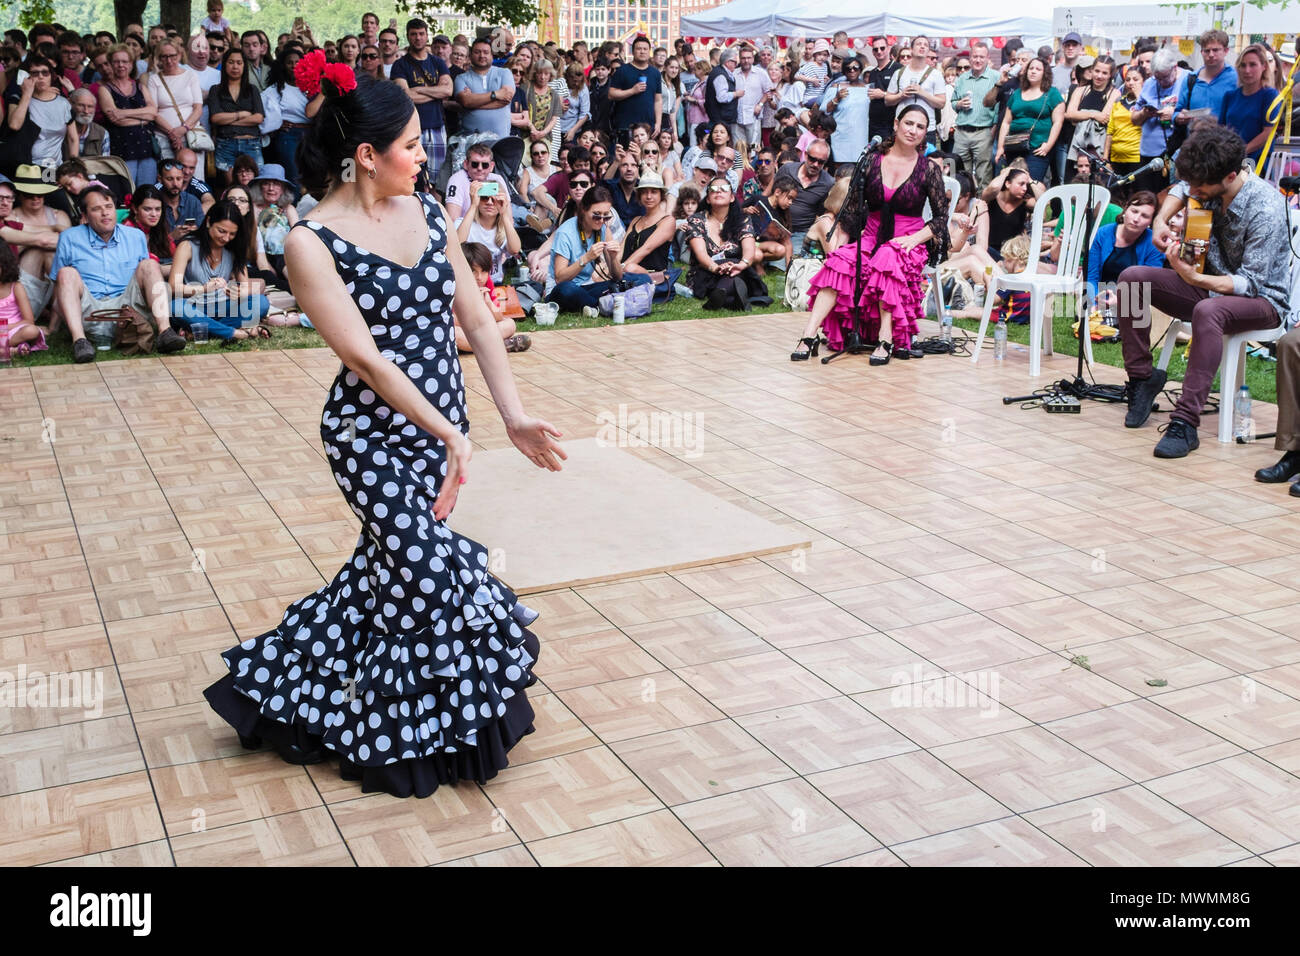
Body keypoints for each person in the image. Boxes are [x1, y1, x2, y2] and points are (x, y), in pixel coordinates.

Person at [203, 69, 563, 795]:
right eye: (408, 145)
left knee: (388, 579)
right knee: (429, 575)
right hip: (369, 439)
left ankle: (285, 693)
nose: (423, 156)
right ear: (366, 155)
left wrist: (511, 414)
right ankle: (411, 739)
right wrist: (453, 437)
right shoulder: (309, 242)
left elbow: (477, 319)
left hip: (440, 432)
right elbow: (365, 360)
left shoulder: (428, 211)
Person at [1116, 124, 1291, 459]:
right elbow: (1183, 186)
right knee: (1131, 278)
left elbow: (1249, 284)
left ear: (1229, 176)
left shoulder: (1265, 208)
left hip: (1260, 300)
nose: (1193, 190)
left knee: (1209, 311)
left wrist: (1194, 280)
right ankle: (1142, 378)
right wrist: (1160, 222)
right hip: (1208, 285)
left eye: (1201, 186)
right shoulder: (1206, 180)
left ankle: (1185, 421)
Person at [790, 105, 948, 364]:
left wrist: (913, 239)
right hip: (872, 235)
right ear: (896, 124)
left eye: (920, 127)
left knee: (888, 256)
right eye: (909, 123)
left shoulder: (928, 169)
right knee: (839, 261)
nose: (913, 130)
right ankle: (808, 336)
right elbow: (853, 205)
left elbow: (942, 219)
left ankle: (886, 338)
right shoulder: (873, 160)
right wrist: (845, 239)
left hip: (907, 241)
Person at [51, 184, 185, 362]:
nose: (105, 213)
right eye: (97, 209)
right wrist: (53, 328)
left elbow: (147, 280)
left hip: (128, 312)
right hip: (90, 311)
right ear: (84, 215)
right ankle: (80, 342)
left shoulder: (135, 236)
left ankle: (165, 332)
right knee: (66, 273)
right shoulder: (69, 237)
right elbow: (59, 286)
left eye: (109, 207)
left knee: (150, 265)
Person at [169, 198, 270, 341]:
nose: (226, 238)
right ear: (209, 222)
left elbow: (245, 287)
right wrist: (204, 289)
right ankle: (232, 333)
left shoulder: (234, 249)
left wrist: (240, 291)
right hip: (195, 307)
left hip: (224, 306)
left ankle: (204, 332)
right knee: (175, 306)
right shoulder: (187, 246)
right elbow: (174, 287)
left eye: (232, 234)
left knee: (261, 302)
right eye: (221, 231)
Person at [547, 184, 651, 311]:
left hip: (587, 288)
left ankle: (598, 304)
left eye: (606, 216)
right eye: (596, 215)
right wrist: (585, 259)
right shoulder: (565, 232)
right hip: (562, 290)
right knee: (567, 289)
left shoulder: (603, 229)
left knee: (643, 279)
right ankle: (608, 303)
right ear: (584, 209)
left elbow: (617, 276)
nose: (601, 220)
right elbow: (559, 278)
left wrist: (613, 258)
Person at [683, 175, 768, 310]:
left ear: (732, 197)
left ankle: (720, 298)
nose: (718, 191)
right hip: (706, 271)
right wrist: (715, 267)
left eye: (724, 188)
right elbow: (701, 254)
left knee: (735, 272)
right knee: (734, 277)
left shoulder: (742, 220)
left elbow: (749, 250)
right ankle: (732, 300)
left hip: (735, 270)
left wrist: (741, 264)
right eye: (714, 189)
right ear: (708, 199)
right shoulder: (696, 220)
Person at [390, 19, 453, 188]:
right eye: (413, 34)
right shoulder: (400, 65)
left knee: (437, 180)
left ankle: (434, 212)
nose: (418, 38)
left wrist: (418, 89)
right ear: (408, 36)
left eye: (421, 34)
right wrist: (435, 91)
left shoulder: (437, 62)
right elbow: (406, 96)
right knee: (411, 177)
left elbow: (447, 91)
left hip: (437, 127)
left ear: (426, 36)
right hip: (410, 129)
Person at [5, 165, 70, 320]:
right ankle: (56, 315)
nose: (35, 198)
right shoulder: (10, 218)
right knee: (41, 250)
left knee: (51, 254)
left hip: (56, 277)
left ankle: (58, 313)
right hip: (21, 278)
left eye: (39, 194)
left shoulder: (58, 216)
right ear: (19, 195)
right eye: (29, 194)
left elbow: (70, 249)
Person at [995, 57, 1064, 184]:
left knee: (1030, 184)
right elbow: (1006, 122)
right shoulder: (1017, 93)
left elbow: (1058, 122)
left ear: (1045, 73)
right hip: (1014, 146)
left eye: (1038, 69)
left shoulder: (1052, 93)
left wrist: (1048, 145)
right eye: (1031, 68)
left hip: (1037, 148)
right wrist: (1000, 147)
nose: (1033, 71)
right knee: (1012, 184)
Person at [1128, 48, 1185, 196]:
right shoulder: (1150, 83)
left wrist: (1173, 114)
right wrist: (1144, 113)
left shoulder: (1188, 80)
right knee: (1148, 197)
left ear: (1175, 67)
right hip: (1149, 153)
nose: (1161, 82)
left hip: (1176, 152)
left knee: (1172, 196)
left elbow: (1200, 113)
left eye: (1165, 77)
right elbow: (1134, 119)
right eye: (1157, 78)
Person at [457, 240, 529, 353]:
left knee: (509, 324)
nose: (479, 277)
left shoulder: (486, 283)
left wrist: (488, 303)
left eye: (484, 271)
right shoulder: (454, 286)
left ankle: (476, 347)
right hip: (462, 329)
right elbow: (451, 321)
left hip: (479, 331)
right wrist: (477, 309)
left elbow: (499, 317)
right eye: (473, 271)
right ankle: (500, 346)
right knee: (456, 334)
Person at [10, 56, 77, 168]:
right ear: (27, 77)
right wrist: (26, 94)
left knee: (49, 184)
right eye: (35, 73)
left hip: (53, 167)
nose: (41, 77)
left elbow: (73, 138)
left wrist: (74, 165)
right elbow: (14, 125)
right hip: (25, 166)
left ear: (51, 76)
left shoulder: (63, 103)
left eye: (45, 73)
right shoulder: (18, 99)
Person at [1219, 44, 1278, 165]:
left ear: (1264, 66)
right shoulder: (1230, 96)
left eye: (1253, 65)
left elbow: (1268, 132)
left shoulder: (1269, 95)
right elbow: (1220, 129)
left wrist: (1242, 151)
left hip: (1257, 162)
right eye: (1243, 65)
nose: (1247, 70)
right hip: (1229, 161)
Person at [208, 47, 265, 173]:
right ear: (224, 64)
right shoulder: (215, 90)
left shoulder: (252, 89)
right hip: (225, 144)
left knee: (252, 186)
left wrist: (228, 120)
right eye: (231, 62)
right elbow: (215, 118)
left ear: (244, 66)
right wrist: (241, 114)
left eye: (239, 63)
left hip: (251, 143)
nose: (235, 67)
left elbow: (258, 118)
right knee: (230, 187)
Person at [620, 171, 676, 295]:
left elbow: (646, 248)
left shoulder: (668, 220)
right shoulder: (636, 220)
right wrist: (611, 266)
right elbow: (621, 248)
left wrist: (621, 267)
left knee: (630, 268)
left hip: (651, 273)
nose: (649, 196)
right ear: (639, 196)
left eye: (654, 192)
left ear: (661, 195)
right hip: (627, 269)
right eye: (644, 192)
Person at [455, 178, 521, 284]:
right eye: (484, 198)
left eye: (495, 199)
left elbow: (515, 249)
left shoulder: (503, 229)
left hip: (495, 283)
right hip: (468, 282)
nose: (490, 202)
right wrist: (473, 206)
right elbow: (457, 244)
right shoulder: (464, 223)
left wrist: (504, 214)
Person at [951, 41, 999, 189]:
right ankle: (959, 207)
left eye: (981, 57)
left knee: (983, 175)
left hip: (983, 132)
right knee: (959, 174)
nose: (978, 60)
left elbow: (999, 105)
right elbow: (953, 101)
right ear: (970, 58)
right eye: (975, 56)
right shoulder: (962, 78)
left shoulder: (995, 77)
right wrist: (958, 104)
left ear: (987, 58)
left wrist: (994, 128)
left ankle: (981, 208)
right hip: (962, 131)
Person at [453, 36, 514, 149]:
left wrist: (473, 103)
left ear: (492, 55)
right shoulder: (461, 78)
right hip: (471, 143)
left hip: (501, 142)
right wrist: (495, 95)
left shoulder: (504, 73)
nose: (482, 56)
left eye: (486, 52)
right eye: (477, 52)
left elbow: (506, 98)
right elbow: (465, 101)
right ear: (470, 56)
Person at [884, 36, 947, 144]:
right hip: (903, 128)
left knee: (925, 161)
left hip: (926, 129)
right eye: (919, 44)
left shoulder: (936, 74)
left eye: (925, 45)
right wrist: (901, 95)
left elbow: (941, 103)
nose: (922, 46)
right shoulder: (899, 73)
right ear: (911, 49)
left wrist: (922, 93)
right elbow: (887, 100)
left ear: (928, 51)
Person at [1174, 30, 1238, 132]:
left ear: (1226, 51)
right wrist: (1179, 117)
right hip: (1195, 142)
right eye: (1207, 51)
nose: (1211, 54)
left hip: (1225, 143)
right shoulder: (1191, 80)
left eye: (1216, 50)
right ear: (1201, 52)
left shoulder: (1236, 79)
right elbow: (1177, 111)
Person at [778, 138, 833, 255]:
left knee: (791, 258)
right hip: (777, 225)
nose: (815, 164)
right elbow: (772, 195)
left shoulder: (827, 183)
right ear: (805, 155)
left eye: (821, 162)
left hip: (801, 232)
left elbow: (822, 215)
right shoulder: (787, 170)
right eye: (812, 159)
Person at [1065, 54, 1118, 165]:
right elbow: (1069, 114)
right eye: (1097, 71)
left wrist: (1080, 115)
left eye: (1104, 73)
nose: (1099, 76)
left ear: (1110, 75)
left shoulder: (1114, 93)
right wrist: (1093, 115)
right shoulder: (1081, 90)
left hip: (1099, 149)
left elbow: (1104, 117)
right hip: (1076, 147)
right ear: (1092, 70)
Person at [250, 163, 297, 284]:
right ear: (260, 187)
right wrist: (266, 265)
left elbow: (298, 234)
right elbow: (254, 238)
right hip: (261, 256)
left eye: (276, 184)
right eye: (266, 183)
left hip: (286, 257)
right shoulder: (254, 208)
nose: (271, 188)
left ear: (283, 189)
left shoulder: (288, 208)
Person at [822, 55, 870, 165]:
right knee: (840, 171)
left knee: (858, 170)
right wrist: (836, 98)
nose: (852, 70)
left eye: (855, 68)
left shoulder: (867, 89)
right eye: (848, 68)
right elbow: (825, 110)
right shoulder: (836, 87)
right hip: (841, 138)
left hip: (860, 137)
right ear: (844, 71)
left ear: (860, 70)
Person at [609, 35, 662, 135]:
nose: (642, 51)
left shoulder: (655, 73)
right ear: (633, 51)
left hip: (648, 126)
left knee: (646, 151)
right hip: (626, 125)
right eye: (639, 49)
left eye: (645, 49)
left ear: (649, 51)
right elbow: (611, 94)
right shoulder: (622, 71)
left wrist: (658, 123)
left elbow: (658, 100)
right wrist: (632, 91)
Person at [0, 240, 43, 356]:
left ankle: (5, 349)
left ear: (5, 265)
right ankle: (13, 350)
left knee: (32, 330)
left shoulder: (16, 287)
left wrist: (4, 328)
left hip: (14, 330)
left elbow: (29, 321)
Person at [445, 143, 509, 221]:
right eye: (475, 164)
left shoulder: (497, 179)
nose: (479, 168)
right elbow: (452, 220)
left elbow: (509, 218)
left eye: (485, 165)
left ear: (491, 166)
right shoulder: (457, 179)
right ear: (466, 164)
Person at [1106, 65, 1145, 182]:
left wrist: (1140, 95)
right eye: (1128, 80)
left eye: (1135, 79)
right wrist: (1105, 157)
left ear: (1144, 81)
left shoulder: (1148, 102)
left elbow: (1146, 119)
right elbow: (1110, 130)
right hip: (1116, 158)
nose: (1131, 83)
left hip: (1137, 157)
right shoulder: (1118, 102)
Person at [124, 183, 174, 273]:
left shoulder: (159, 228)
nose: (154, 214)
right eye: (147, 209)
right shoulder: (128, 231)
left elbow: (173, 251)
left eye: (158, 209)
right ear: (135, 209)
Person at [525, 59, 562, 160]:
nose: (542, 77)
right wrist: (533, 130)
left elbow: (554, 118)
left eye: (546, 73)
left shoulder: (553, 94)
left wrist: (543, 133)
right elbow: (523, 113)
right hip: (526, 135)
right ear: (534, 73)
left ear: (551, 75)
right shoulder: (527, 89)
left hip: (545, 138)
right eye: (539, 73)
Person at [866, 36, 900, 142]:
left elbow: (903, 95)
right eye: (876, 49)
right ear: (872, 52)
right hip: (873, 124)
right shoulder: (872, 72)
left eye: (882, 48)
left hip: (891, 124)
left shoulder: (898, 69)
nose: (879, 51)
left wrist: (884, 94)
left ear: (888, 48)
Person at [607, 153, 645, 226]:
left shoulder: (644, 188)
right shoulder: (611, 187)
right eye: (624, 165)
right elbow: (602, 186)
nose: (629, 169)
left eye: (633, 165)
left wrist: (640, 161)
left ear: (638, 168)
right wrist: (616, 162)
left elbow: (654, 182)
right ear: (619, 168)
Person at [560, 62, 589, 144]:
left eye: (578, 81)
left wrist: (573, 130)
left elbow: (585, 114)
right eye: (574, 81)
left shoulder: (583, 89)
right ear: (568, 77)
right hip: (557, 127)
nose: (576, 84)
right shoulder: (560, 84)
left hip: (573, 128)